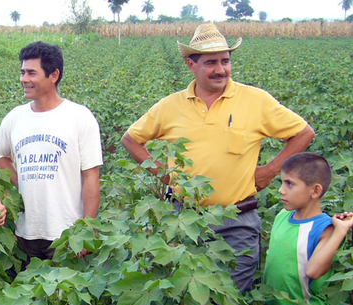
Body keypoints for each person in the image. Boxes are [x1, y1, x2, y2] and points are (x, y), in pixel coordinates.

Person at [121, 23, 315, 291]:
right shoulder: (170, 106)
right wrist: (162, 173)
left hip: (237, 221)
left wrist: (270, 171)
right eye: (211, 62)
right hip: (183, 220)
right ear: (191, 65)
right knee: (184, 295)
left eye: (225, 61)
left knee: (233, 297)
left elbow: (303, 133)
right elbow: (131, 139)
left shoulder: (256, 101)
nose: (221, 69)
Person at [0, 41, 103, 262]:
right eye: (22, 72)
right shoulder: (15, 117)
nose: (24, 79)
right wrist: (20, 181)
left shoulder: (79, 117)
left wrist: (87, 230)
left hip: (66, 232)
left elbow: (91, 177)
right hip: (26, 232)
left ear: (54, 75)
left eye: (32, 73)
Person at [263, 152, 353, 305]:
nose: (281, 190)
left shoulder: (325, 229)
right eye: (281, 182)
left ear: (315, 191)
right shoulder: (282, 215)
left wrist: (340, 230)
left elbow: (313, 271)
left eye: (290, 184)